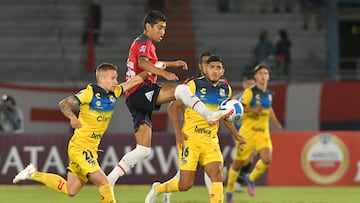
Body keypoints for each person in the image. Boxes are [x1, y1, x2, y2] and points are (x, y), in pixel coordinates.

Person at [106, 10, 233, 188]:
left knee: (143, 150)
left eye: (164, 28)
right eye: (159, 27)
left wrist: (173, 63)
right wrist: (165, 73)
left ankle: (110, 179)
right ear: (148, 27)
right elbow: (143, 64)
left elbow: (151, 63)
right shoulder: (144, 42)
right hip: (140, 90)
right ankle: (208, 114)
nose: (163, 32)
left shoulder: (142, 43)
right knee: (180, 90)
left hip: (133, 99)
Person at [12, 63, 150, 203]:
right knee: (104, 182)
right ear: (101, 79)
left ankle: (33, 173)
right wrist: (72, 117)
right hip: (80, 147)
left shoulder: (114, 92)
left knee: (70, 190)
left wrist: (154, 68)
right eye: (113, 78)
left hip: (90, 148)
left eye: (116, 78)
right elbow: (64, 103)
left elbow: (136, 80)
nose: (116, 82)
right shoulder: (89, 93)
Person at [145, 55, 246, 203]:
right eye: (212, 67)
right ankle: (157, 189)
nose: (215, 70)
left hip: (211, 141)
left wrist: (236, 135)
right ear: (205, 69)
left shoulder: (226, 90)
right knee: (185, 184)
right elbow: (173, 107)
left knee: (217, 176)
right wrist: (178, 133)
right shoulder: (194, 85)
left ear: (223, 71)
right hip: (190, 139)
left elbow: (222, 115)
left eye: (218, 67)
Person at [225, 64, 282, 203]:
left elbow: (269, 109)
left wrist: (276, 122)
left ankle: (250, 178)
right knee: (238, 164)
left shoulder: (269, 94)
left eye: (266, 73)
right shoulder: (250, 92)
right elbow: (240, 109)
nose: (263, 76)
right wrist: (253, 110)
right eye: (261, 73)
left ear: (268, 77)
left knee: (267, 159)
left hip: (263, 133)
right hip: (247, 134)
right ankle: (229, 192)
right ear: (256, 76)